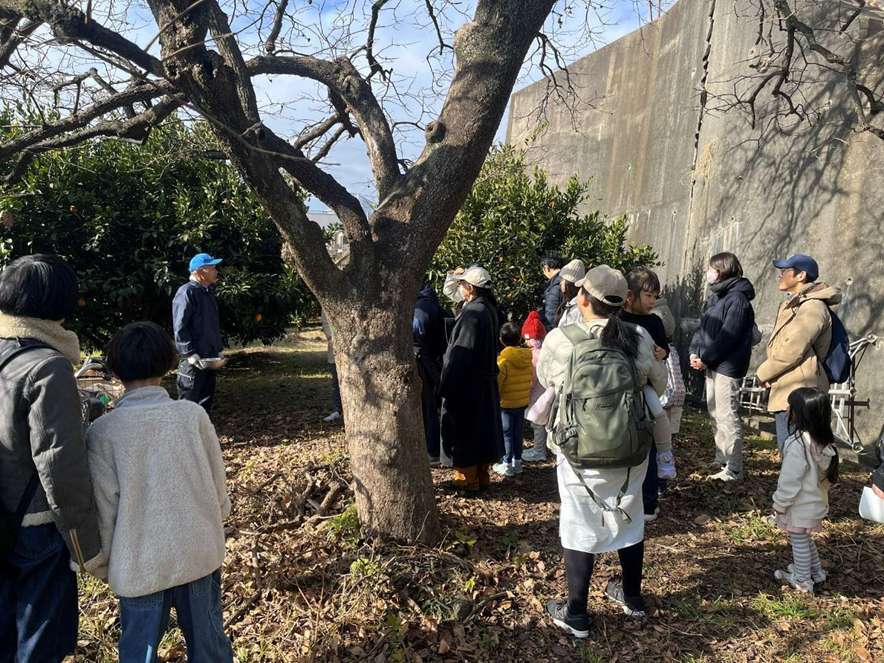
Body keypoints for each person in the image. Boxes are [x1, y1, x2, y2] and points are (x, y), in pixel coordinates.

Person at [86, 322, 234, 661]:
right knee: (210, 647)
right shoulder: (192, 415)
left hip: (139, 564)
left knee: (140, 652)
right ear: (168, 364)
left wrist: (103, 564)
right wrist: (215, 517)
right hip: (198, 552)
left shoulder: (104, 431)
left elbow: (104, 511)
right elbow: (218, 488)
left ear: (116, 370)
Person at [539, 265, 667, 637]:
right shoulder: (638, 337)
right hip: (630, 447)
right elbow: (659, 384)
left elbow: (546, 378)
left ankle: (577, 612)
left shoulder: (562, 338)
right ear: (623, 301)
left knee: (579, 521)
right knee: (630, 515)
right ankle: (632, 597)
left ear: (583, 298)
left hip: (577, 449)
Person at [0, 254, 102, 663]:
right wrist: (84, 546)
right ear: (58, 306)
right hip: (35, 525)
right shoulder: (47, 366)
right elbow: (60, 466)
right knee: (41, 639)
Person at [755, 254, 842, 454]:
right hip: (790, 387)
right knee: (794, 454)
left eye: (785, 270)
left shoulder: (812, 306)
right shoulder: (797, 304)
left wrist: (764, 373)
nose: (780, 275)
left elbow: (793, 348)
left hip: (800, 392)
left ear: (801, 275)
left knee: (797, 455)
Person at [688, 253, 757, 481]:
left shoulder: (737, 300)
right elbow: (703, 329)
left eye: (712, 269)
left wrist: (706, 358)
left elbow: (729, 335)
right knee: (715, 413)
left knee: (727, 415)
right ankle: (721, 458)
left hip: (727, 366)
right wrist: (694, 351)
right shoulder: (717, 297)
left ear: (723, 270)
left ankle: (734, 467)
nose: (708, 273)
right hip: (712, 363)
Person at [439, 266, 505, 495]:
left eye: (463, 284)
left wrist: (447, 383)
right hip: (484, 382)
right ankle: (481, 476)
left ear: (470, 287)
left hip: (468, 383)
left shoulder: (473, 313)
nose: (461, 287)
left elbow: (461, 352)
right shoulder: (489, 308)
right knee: (482, 430)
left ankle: (466, 481)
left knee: (465, 431)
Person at [770, 387, 838, 594]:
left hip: (799, 506)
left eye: (790, 406)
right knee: (805, 539)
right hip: (816, 502)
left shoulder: (797, 444)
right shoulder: (823, 441)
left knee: (799, 542)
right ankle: (816, 572)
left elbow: (789, 481)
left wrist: (779, 505)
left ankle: (802, 580)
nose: (786, 409)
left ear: (799, 413)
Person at [623, 268, 675, 522]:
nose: (652, 301)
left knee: (654, 429)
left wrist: (662, 352)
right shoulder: (616, 319)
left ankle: (649, 500)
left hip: (646, 387)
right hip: (622, 388)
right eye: (648, 296)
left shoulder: (654, 321)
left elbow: (665, 348)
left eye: (655, 296)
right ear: (629, 295)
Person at [173, 252, 223, 412]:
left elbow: (211, 325)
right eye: (212, 268)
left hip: (209, 358)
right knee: (188, 407)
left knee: (204, 406)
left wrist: (217, 350)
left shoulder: (208, 292)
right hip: (193, 362)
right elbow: (180, 326)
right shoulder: (186, 292)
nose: (216, 271)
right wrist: (189, 353)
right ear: (200, 271)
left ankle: (202, 429)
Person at [414, 280, 450, 464]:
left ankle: (432, 450)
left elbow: (416, 331)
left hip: (424, 362)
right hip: (433, 362)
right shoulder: (432, 304)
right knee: (430, 407)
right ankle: (432, 448)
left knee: (428, 408)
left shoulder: (421, 307)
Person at [493, 322, 534, 477]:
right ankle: (518, 463)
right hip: (521, 402)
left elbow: (498, 384)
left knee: (507, 434)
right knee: (517, 433)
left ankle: (507, 464)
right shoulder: (527, 357)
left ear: (501, 340)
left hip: (506, 403)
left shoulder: (503, 360)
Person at [521, 311, 550, 463]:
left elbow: (530, 378)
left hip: (537, 395)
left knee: (538, 422)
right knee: (543, 421)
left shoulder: (533, 356)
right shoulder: (547, 351)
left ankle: (539, 450)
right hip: (547, 392)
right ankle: (542, 447)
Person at [320, 309, 343, 423]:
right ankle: (337, 410)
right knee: (336, 382)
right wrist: (330, 337)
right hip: (335, 349)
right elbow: (325, 322)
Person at [553, 259, 586, 328]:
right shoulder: (568, 303)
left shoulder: (578, 308)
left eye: (563, 280)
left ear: (570, 283)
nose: (560, 283)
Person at [539, 251, 564, 331]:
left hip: (554, 331)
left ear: (547, 268)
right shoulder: (565, 280)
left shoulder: (555, 288)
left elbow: (551, 315)